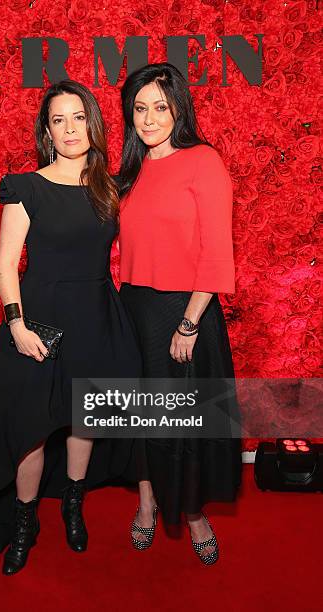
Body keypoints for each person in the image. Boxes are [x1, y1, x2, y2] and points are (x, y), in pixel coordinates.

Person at [0, 79, 142, 575]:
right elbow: (6, 263)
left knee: (84, 418)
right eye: (59, 120)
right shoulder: (25, 186)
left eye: (79, 117)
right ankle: (23, 521)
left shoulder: (111, 186)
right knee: (31, 429)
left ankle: (73, 506)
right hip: (38, 322)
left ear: (92, 125)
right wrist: (16, 325)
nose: (71, 128)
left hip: (96, 316)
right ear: (47, 131)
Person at [117, 63, 242, 565]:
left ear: (178, 110)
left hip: (186, 311)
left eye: (160, 108)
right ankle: (146, 500)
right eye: (139, 108)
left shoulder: (203, 161)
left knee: (185, 423)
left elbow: (217, 252)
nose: (148, 119)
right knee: (140, 419)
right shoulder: (130, 169)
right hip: (134, 309)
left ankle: (193, 513)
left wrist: (188, 323)